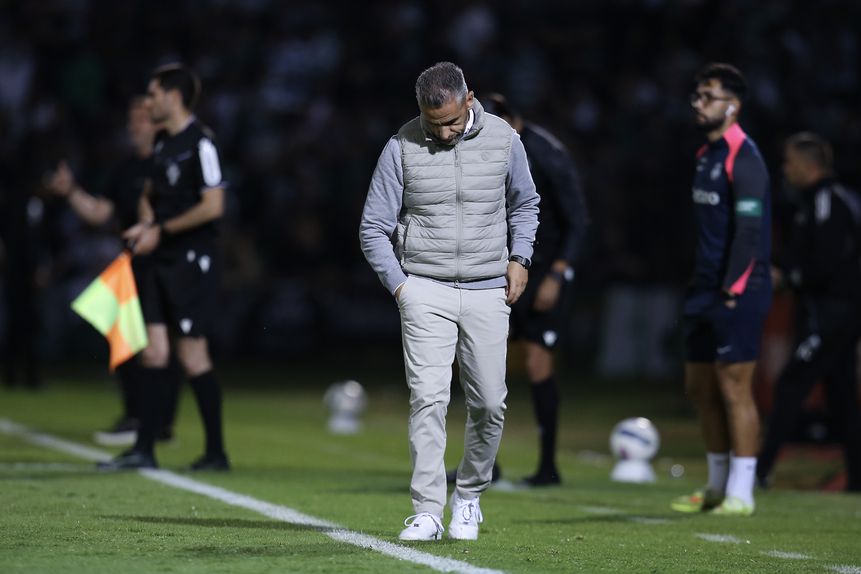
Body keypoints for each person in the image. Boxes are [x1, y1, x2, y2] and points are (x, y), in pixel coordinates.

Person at [360, 62, 539, 541]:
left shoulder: (504, 139)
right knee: (428, 400)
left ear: (470, 99)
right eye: (432, 122)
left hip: (487, 288)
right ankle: (426, 510)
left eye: (452, 121)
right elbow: (373, 226)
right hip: (424, 288)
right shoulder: (401, 144)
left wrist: (520, 257)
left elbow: (525, 203)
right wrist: (401, 286)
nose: (443, 131)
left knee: (490, 404)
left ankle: (470, 496)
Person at [448, 93, 589, 487]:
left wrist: (558, 275)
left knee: (537, 363)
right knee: (478, 360)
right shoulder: (486, 150)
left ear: (512, 121)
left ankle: (547, 467)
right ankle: (483, 464)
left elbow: (578, 222)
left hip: (545, 272)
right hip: (504, 268)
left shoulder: (548, 156)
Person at [98, 63, 229, 472]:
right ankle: (144, 449)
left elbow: (214, 205)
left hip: (190, 261)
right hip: (158, 259)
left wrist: (162, 229)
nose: (148, 101)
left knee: (192, 357)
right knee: (153, 354)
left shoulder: (201, 143)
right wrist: (146, 223)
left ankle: (215, 453)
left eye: (153, 94)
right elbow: (149, 195)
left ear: (173, 98)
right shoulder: (161, 145)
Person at [47, 96, 180, 447]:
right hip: (132, 264)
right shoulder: (124, 168)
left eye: (141, 120)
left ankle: (159, 422)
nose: (133, 127)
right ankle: (136, 414)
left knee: (160, 347)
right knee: (122, 336)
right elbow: (100, 213)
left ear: (158, 125)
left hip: (166, 264)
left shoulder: (170, 164)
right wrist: (72, 191)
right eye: (131, 121)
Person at [670, 63, 772, 516]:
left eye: (708, 96)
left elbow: (749, 232)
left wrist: (732, 286)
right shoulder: (704, 155)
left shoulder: (743, 155)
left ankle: (743, 493)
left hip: (738, 289)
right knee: (700, 388)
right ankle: (714, 488)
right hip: (702, 289)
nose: (698, 102)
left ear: (733, 106)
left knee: (735, 389)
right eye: (697, 94)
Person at [757, 132, 861, 492]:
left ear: (808, 165)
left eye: (789, 162)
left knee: (790, 385)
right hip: (835, 313)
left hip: (832, 314)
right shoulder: (822, 201)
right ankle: (857, 479)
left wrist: (789, 278)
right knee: (842, 396)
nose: (785, 169)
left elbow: (832, 262)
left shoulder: (826, 202)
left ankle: (759, 473)